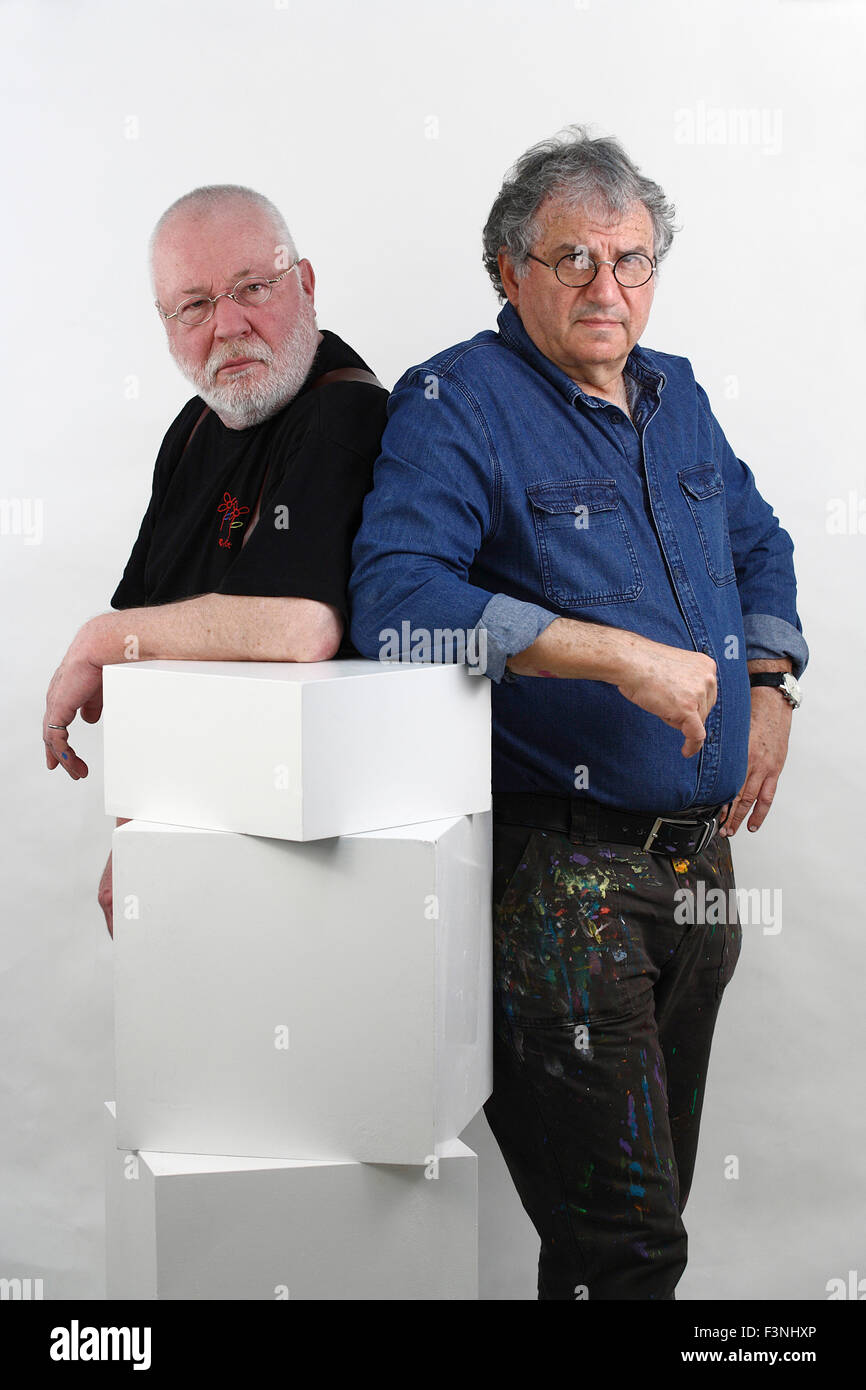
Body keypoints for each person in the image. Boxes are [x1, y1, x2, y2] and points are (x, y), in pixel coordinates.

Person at [347, 126, 807, 1300]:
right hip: (560, 887)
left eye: (632, 259)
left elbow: (757, 543)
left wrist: (766, 686)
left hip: (697, 880)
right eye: (572, 260)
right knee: (630, 1251)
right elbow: (396, 605)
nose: (609, 288)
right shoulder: (455, 403)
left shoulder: (676, 393)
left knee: (623, 1246)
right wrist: (608, 657)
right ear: (509, 268)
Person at [42, 185, 388, 937]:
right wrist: (137, 832)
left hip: (313, 847)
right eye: (194, 305)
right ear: (166, 325)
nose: (228, 326)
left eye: (253, 289)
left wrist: (95, 640)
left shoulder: (345, 412)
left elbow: (300, 628)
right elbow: (146, 637)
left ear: (306, 284)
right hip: (198, 811)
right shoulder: (194, 429)